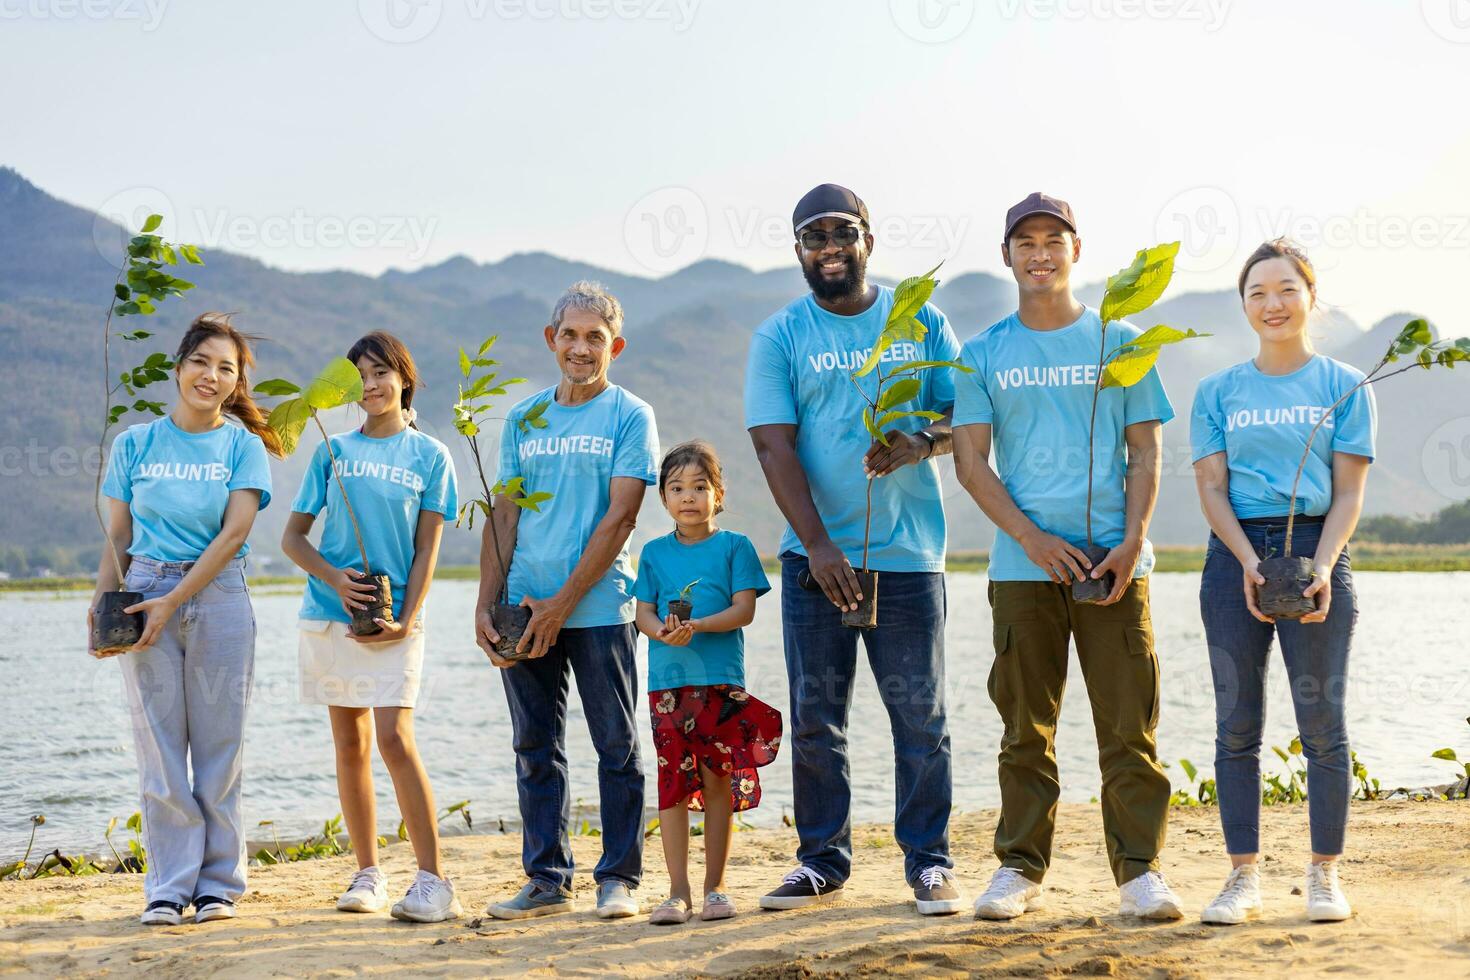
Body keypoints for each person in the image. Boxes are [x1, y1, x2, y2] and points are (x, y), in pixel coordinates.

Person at [951, 193, 1182, 921]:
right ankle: (1019, 868)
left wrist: (1134, 539)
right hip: (1024, 571)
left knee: (1128, 728)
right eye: (1026, 241)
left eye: (1055, 239)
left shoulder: (1121, 339)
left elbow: (1145, 449)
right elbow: (969, 462)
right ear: (1007, 256)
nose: (1040, 252)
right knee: (1025, 729)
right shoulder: (983, 353)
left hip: (1113, 567)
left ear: (1077, 250)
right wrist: (1030, 537)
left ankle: (1139, 872)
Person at [745, 183, 965, 916]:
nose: (829, 248)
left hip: (908, 555)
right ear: (799, 252)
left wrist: (921, 441)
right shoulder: (781, 335)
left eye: (842, 233)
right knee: (816, 716)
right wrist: (819, 546)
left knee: (920, 717)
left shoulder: (919, 319)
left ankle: (929, 864)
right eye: (814, 238)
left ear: (868, 238)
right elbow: (773, 445)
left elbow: (965, 409)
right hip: (817, 562)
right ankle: (821, 863)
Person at [1191, 240, 1373, 924]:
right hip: (1233, 555)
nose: (1273, 303)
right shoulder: (1217, 391)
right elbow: (1211, 487)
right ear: (1244, 305)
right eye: (1258, 292)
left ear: (1310, 296)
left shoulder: (1345, 384)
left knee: (1322, 723)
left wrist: (1323, 567)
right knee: (1236, 723)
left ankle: (1324, 874)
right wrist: (1245, 561)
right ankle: (1242, 877)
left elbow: (1351, 493)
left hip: (1319, 546)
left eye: (1286, 289)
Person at [475, 281, 659, 921]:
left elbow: (622, 516)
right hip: (522, 608)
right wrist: (485, 600)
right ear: (551, 339)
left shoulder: (630, 415)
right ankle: (548, 880)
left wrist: (564, 602)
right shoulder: (524, 419)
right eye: (570, 335)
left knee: (617, 745)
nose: (581, 349)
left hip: (601, 608)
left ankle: (619, 880)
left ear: (616, 346)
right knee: (535, 745)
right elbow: (504, 514)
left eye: (595, 338)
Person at [90, 314, 279, 926]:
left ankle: (219, 885)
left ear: (235, 383)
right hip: (143, 590)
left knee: (221, 746)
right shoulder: (135, 444)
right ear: (180, 366)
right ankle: (168, 888)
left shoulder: (242, 446)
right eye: (202, 361)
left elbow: (235, 534)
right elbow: (118, 538)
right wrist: (103, 610)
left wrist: (178, 599)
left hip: (219, 595)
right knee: (160, 748)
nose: (212, 375)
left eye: (227, 368)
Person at [281, 331, 462, 923]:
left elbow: (427, 551)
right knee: (350, 744)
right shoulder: (331, 451)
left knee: (394, 740)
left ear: (404, 377)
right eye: (360, 375)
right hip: (331, 616)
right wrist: (335, 579)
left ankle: (434, 880)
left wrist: (406, 621)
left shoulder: (431, 456)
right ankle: (368, 873)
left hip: (394, 620)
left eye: (382, 372)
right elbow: (293, 538)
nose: (371, 385)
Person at [634, 441, 781, 925]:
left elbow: (745, 609)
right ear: (663, 498)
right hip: (667, 686)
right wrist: (663, 633)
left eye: (699, 487)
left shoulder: (735, 546)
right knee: (672, 785)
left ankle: (716, 888)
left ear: (718, 493)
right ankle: (677, 893)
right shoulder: (654, 553)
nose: (688, 497)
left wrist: (697, 627)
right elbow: (643, 615)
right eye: (676, 488)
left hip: (719, 683)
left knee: (719, 783)